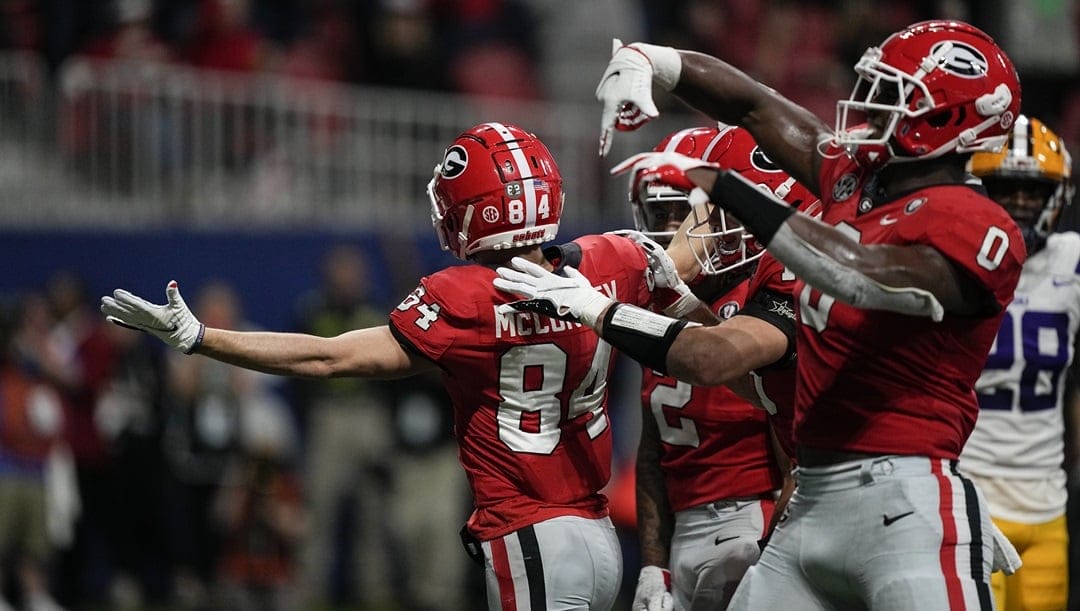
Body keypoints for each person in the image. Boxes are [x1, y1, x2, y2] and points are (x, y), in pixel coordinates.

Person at [495, 19, 1028, 610]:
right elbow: (753, 105)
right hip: (813, 502)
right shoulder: (856, 183)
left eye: (894, 95)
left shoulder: (975, 222)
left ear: (950, 123)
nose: (871, 108)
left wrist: (727, 189)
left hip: (904, 499)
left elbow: (858, 271)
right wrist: (656, 61)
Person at [99, 122, 707, 610]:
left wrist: (202, 337)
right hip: (599, 535)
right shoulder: (610, 259)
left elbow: (327, 355)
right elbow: (697, 249)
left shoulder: (466, 295)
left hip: (530, 532)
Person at [627, 124, 814, 610]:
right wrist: (653, 564)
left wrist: (775, 554)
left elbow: (793, 447)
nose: (669, 229)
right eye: (658, 212)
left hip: (755, 516)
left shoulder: (763, 301)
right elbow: (653, 449)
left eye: (680, 211)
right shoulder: (656, 301)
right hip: (685, 529)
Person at [959, 115, 1077, 611]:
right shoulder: (953, 259)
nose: (1022, 203)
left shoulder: (1071, 260)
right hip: (972, 492)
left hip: (1049, 498)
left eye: (1034, 191)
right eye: (1007, 188)